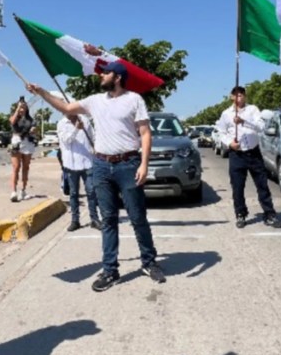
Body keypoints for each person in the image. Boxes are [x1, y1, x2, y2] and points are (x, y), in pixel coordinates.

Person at [28, 61, 165, 292]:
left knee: (137, 216)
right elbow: (67, 108)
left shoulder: (134, 100)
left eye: (106, 73)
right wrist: (41, 92)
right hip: (101, 165)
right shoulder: (94, 101)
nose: (101, 76)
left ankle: (149, 262)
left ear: (118, 77)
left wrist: (143, 164)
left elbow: (145, 132)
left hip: (128, 164)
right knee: (108, 219)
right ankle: (110, 270)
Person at [215, 85, 280, 229]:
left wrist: (244, 121)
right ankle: (240, 214)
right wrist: (229, 143)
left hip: (253, 153)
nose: (239, 98)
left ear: (245, 96)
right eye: (236, 95)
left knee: (262, 184)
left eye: (241, 95)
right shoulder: (226, 114)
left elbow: (261, 127)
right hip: (237, 155)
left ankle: (269, 214)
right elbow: (221, 132)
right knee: (237, 187)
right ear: (231, 97)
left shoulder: (253, 110)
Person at [57, 112, 101, 232]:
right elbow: (67, 140)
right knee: (73, 193)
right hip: (71, 164)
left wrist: (97, 148)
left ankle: (94, 218)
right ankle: (75, 220)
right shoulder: (61, 124)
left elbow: (93, 136)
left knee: (91, 191)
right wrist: (76, 128)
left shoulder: (85, 120)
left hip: (87, 162)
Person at [9, 98, 36, 202]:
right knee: (16, 167)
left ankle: (23, 190)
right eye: (20, 107)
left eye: (24, 107)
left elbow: (34, 129)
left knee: (26, 167)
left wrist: (34, 131)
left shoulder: (30, 119)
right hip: (16, 141)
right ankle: (13, 191)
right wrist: (17, 109)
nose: (22, 109)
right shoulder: (15, 116)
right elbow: (12, 121)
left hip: (28, 142)